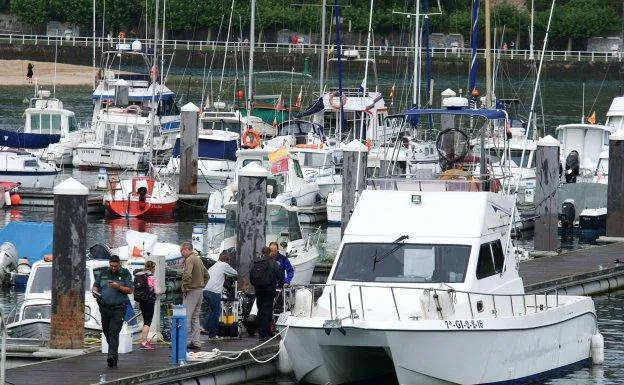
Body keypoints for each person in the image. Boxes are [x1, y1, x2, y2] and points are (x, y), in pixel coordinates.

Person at [92, 254, 133, 368]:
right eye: (111, 266)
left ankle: (111, 356)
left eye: (115, 266)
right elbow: (95, 286)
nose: (113, 268)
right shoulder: (104, 273)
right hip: (104, 307)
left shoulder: (125, 273)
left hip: (118, 308)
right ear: (109, 264)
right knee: (106, 331)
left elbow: (130, 290)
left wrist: (118, 287)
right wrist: (94, 292)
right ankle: (114, 356)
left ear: (119, 264)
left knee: (113, 332)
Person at [249, 246, 284, 342]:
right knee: (267, 311)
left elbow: (251, 276)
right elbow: (280, 275)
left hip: (258, 289)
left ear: (261, 252)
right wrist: (281, 285)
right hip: (269, 289)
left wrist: (255, 285)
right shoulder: (274, 263)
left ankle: (262, 331)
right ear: (270, 253)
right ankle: (263, 334)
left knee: (260, 310)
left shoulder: (256, 263)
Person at [202, 251, 237, 340]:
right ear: (226, 260)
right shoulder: (224, 265)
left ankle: (205, 327)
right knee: (216, 312)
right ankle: (212, 334)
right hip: (213, 292)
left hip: (205, 290)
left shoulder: (214, 266)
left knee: (213, 311)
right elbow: (235, 273)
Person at [181, 241, 209, 350]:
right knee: (195, 317)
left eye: (181, 251)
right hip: (199, 290)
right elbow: (207, 275)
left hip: (191, 290)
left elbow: (187, 274)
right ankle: (196, 341)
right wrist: (201, 285)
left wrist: (185, 286)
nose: (181, 254)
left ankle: (182, 342)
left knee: (186, 316)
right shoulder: (199, 259)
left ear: (186, 249)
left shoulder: (189, 260)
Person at [133, 260, 158, 350]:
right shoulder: (150, 276)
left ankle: (144, 340)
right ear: (153, 268)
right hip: (149, 301)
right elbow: (156, 290)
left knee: (144, 320)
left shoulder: (139, 275)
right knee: (147, 322)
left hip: (141, 301)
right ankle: (144, 342)